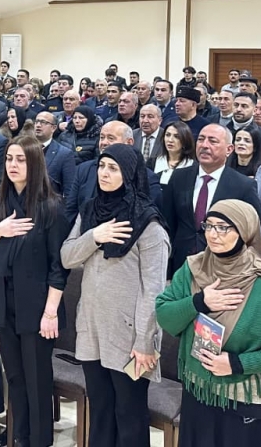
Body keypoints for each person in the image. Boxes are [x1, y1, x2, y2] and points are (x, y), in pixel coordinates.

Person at [156, 200, 261, 447]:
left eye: (223, 228)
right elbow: (164, 314)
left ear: (244, 231)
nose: (213, 234)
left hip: (246, 398)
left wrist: (236, 363)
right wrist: (199, 302)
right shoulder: (193, 269)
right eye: (209, 225)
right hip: (200, 390)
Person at [61, 144, 170, 447]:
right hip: (92, 328)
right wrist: (94, 237)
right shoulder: (91, 210)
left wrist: (145, 342)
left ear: (130, 174)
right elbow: (67, 256)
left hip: (129, 335)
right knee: (100, 409)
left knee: (129, 414)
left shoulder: (149, 224)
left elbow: (154, 291)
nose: (104, 173)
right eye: (101, 166)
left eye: (113, 168)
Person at [0, 136, 69, 447]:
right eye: (9, 159)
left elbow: (59, 266)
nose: (12, 165)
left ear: (35, 164)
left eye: (20, 160)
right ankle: (20, 436)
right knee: (15, 377)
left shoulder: (51, 205)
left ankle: (40, 441)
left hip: (39, 305)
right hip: (4, 301)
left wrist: (51, 312)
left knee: (37, 380)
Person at [160, 124, 261, 277]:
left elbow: (251, 233)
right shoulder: (179, 177)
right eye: (201, 139)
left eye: (212, 141)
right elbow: (168, 222)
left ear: (229, 149)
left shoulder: (243, 186)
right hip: (181, 264)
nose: (205, 145)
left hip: (224, 269)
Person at [227, 127, 261, 241]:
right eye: (238, 139)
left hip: (254, 234)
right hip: (226, 231)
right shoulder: (225, 171)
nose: (241, 143)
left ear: (255, 147)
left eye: (247, 141)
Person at [150, 121, 196, 186]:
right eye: (167, 135)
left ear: (185, 140)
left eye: (176, 136)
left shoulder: (193, 166)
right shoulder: (152, 163)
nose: (170, 140)